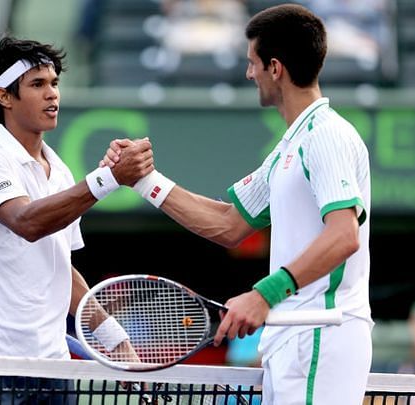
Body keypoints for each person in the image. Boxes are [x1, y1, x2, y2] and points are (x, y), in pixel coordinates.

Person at [102, 4, 373, 404]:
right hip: (294, 337)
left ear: (275, 68)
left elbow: (344, 235)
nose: (249, 74)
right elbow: (228, 224)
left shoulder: (326, 135)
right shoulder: (291, 147)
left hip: (321, 332)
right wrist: (144, 180)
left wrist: (263, 294)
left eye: (253, 64)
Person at [0, 35, 153, 404]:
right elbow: (27, 222)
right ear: (5, 97)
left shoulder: (58, 170)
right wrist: (106, 179)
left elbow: (61, 269)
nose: (52, 94)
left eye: (55, 83)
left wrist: (116, 341)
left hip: (53, 370)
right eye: (38, 84)